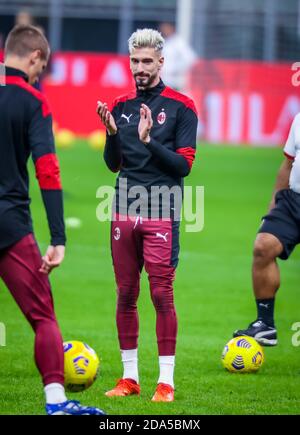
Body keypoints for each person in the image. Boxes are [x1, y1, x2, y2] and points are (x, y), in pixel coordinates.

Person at [0, 25, 105, 415]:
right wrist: (58, 237)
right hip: (10, 224)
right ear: (33, 57)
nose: (39, 75)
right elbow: (48, 170)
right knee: (43, 316)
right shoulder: (32, 101)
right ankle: (56, 403)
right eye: (40, 68)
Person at [97, 28, 198, 402]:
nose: (140, 68)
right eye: (134, 61)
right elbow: (113, 165)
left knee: (161, 294)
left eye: (146, 61)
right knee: (125, 293)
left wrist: (147, 141)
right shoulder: (120, 106)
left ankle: (166, 383)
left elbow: (183, 166)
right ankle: (129, 378)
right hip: (123, 207)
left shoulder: (182, 106)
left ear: (161, 61)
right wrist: (111, 134)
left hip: (161, 209)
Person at [233, 113, 300, 346]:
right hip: (293, 201)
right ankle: (265, 325)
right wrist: (272, 209)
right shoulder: (299, 119)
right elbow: (288, 164)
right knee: (263, 246)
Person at [159, 22, 197, 91]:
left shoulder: (179, 42)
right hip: (165, 81)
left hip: (175, 82)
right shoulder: (165, 42)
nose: (164, 31)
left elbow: (190, 59)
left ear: (171, 28)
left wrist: (174, 69)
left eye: (166, 28)